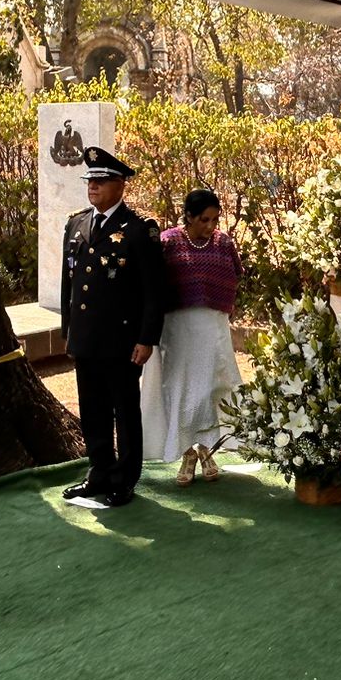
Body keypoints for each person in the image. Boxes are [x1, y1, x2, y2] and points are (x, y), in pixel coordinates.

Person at [59, 146, 166, 508]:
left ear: (120, 185)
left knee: (124, 408)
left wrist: (147, 338)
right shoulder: (75, 224)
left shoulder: (139, 230)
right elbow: (68, 284)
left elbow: (154, 291)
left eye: (101, 181)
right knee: (92, 409)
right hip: (86, 338)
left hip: (121, 340)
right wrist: (68, 331)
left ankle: (124, 477)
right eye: (90, 180)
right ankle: (99, 470)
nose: (93, 187)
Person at [141, 189, 244, 485]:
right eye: (203, 219)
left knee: (211, 389)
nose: (210, 226)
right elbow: (153, 283)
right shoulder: (168, 242)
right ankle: (187, 452)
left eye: (214, 219)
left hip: (212, 327)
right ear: (188, 216)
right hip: (177, 329)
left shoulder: (224, 244)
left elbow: (234, 278)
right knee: (181, 389)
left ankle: (207, 449)